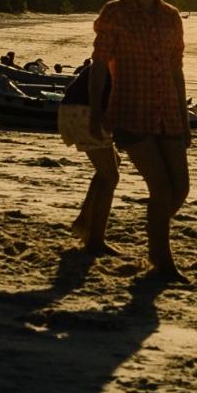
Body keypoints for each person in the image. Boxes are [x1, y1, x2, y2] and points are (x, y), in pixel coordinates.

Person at [88, 0, 191, 283]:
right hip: (130, 113)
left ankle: (154, 233)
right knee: (160, 189)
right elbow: (99, 65)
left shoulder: (171, 17)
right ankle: (162, 262)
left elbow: (176, 69)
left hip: (169, 112)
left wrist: (184, 119)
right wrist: (95, 112)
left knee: (180, 189)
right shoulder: (114, 13)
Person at [58, 62, 120, 257]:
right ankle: (95, 240)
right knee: (110, 176)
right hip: (84, 110)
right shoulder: (126, 57)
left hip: (77, 106)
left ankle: (84, 219)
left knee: (111, 165)